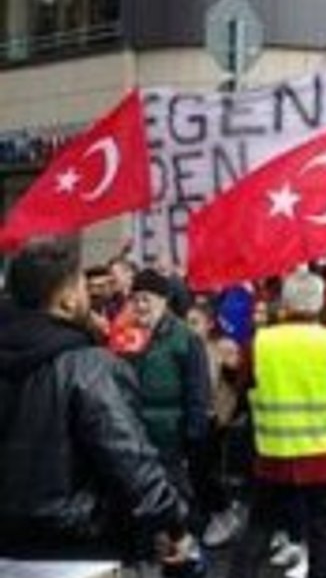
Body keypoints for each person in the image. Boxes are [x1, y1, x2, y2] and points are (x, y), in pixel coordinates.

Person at [0, 238, 192, 563]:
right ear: (67, 299)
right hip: (79, 547)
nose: (89, 294)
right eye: (82, 286)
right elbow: (130, 459)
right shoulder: (88, 366)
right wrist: (174, 524)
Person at [227, 268, 326, 578]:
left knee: (258, 529)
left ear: (285, 305)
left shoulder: (259, 343)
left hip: (273, 454)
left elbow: (244, 390)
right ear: (319, 305)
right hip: (323, 456)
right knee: (322, 537)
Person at [127, 269, 212, 524]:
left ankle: (184, 548)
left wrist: (193, 435)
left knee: (174, 496)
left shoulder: (185, 338)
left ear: (163, 300)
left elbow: (198, 388)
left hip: (171, 433)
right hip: (135, 431)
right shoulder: (126, 336)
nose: (141, 305)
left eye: (147, 298)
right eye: (136, 298)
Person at [186, 300, 247, 548]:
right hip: (194, 418)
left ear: (210, 325)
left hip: (216, 421)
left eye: (195, 323)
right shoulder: (187, 349)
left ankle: (224, 515)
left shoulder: (220, 347)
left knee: (207, 473)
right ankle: (214, 515)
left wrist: (233, 365)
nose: (189, 328)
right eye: (186, 323)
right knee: (197, 473)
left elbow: (239, 382)